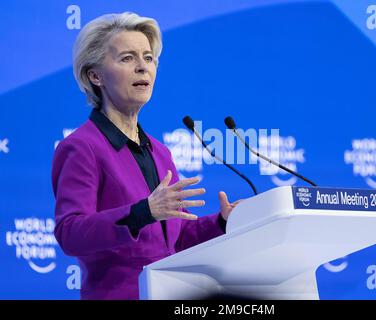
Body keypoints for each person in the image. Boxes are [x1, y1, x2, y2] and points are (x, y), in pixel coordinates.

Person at [52, 12, 240, 300]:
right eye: (127, 58)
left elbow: (174, 242)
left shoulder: (160, 152)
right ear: (95, 75)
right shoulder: (82, 147)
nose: (143, 67)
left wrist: (222, 222)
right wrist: (142, 212)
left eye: (149, 58)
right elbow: (70, 233)